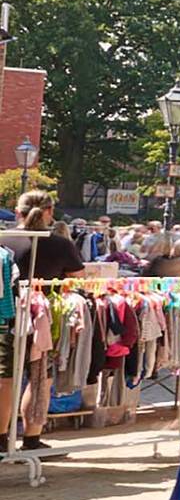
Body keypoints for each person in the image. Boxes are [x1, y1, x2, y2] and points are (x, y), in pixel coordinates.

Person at [5, 191, 86, 450]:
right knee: (40, 378)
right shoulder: (61, 245)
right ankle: (32, 439)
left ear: (18, 212)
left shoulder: (4, 240)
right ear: (50, 212)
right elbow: (78, 279)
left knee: (5, 378)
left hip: (6, 315)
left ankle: (0, 440)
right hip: (45, 317)